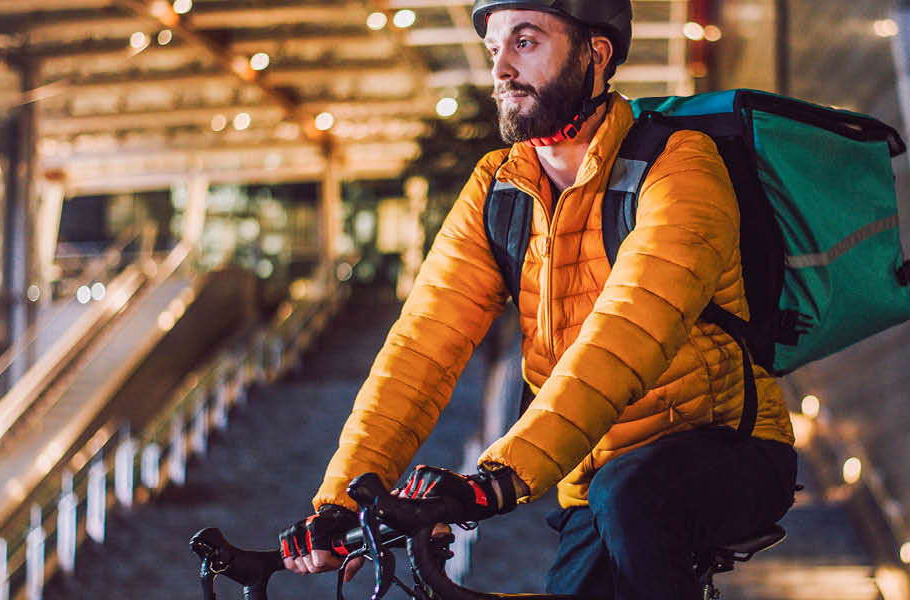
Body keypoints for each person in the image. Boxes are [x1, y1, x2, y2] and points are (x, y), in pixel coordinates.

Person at [279, 1, 796, 597]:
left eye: (525, 42)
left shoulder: (678, 166)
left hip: (726, 451)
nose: (500, 68)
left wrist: (495, 479)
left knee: (630, 495)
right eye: (494, 48)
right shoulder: (496, 189)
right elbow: (422, 347)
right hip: (592, 481)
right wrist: (342, 499)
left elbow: (628, 332)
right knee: (605, 512)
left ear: (596, 55)